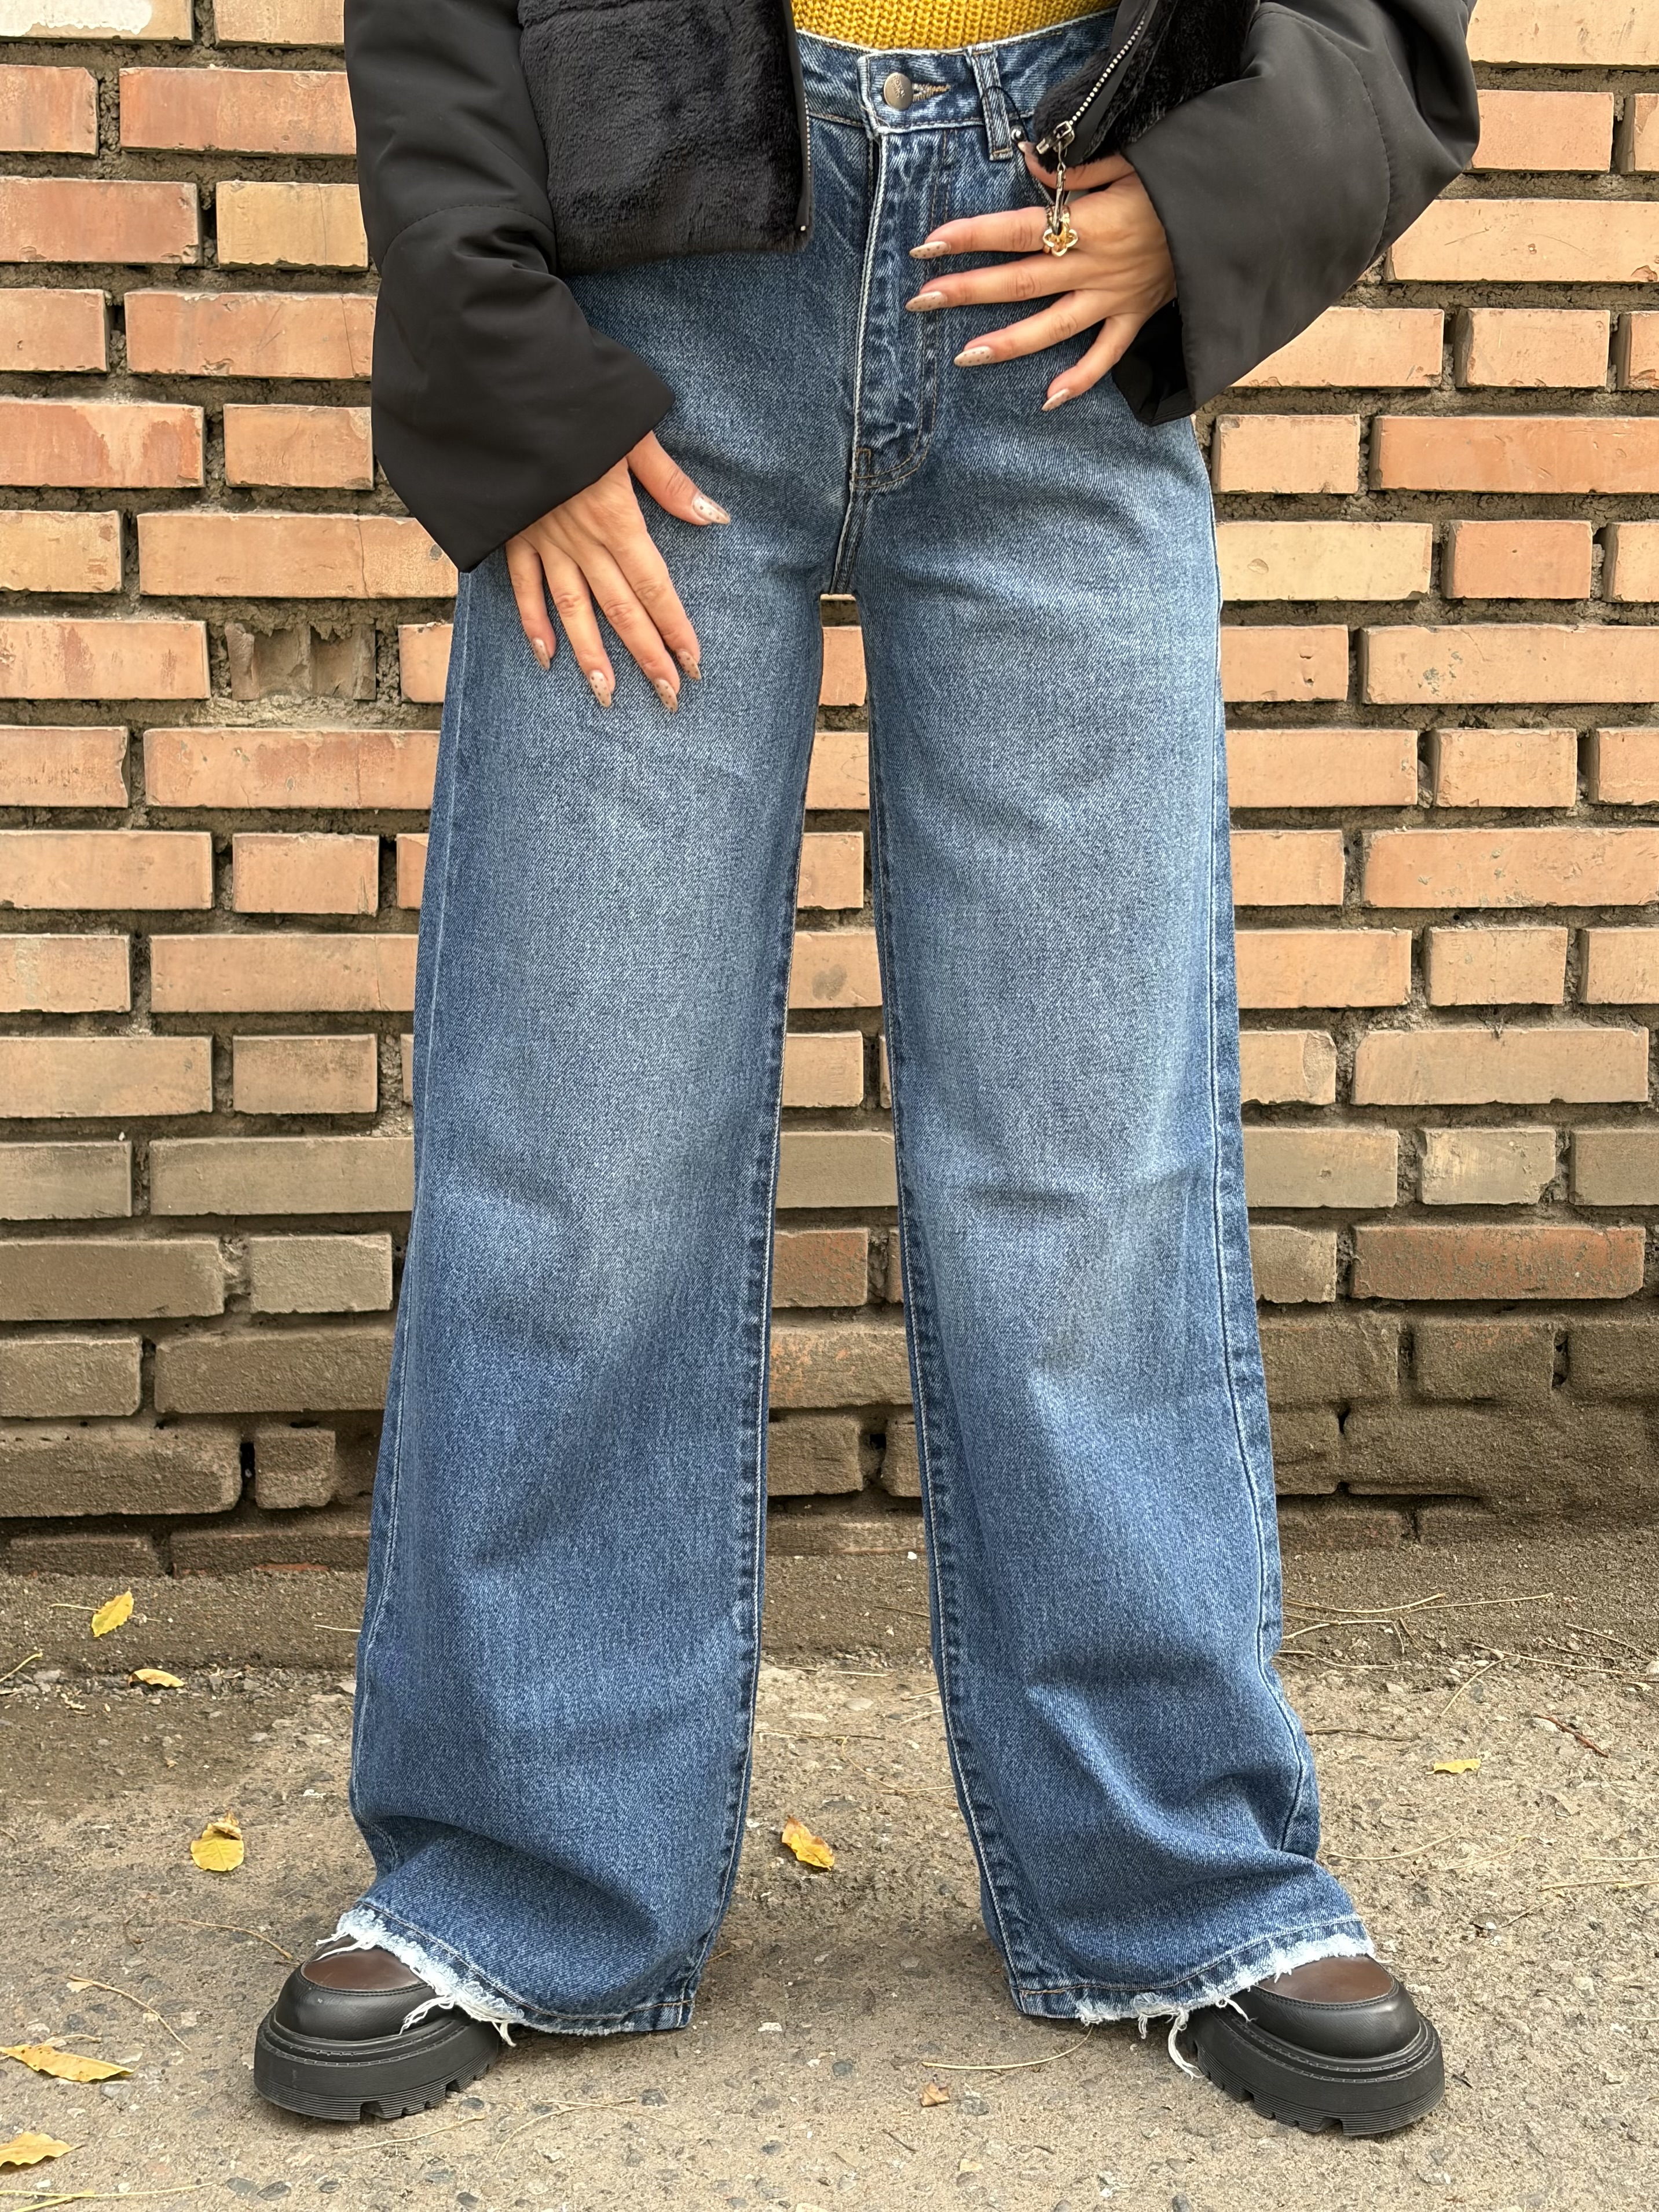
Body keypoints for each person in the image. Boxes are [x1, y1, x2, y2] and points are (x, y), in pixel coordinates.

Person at [252, 0, 1478, 2137]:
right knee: (579, 1144)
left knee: (1089, 1159)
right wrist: (502, 367)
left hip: (1060, 272)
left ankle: (1173, 1869)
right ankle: (523, 1865)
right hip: (649, 294)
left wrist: (1209, 200)